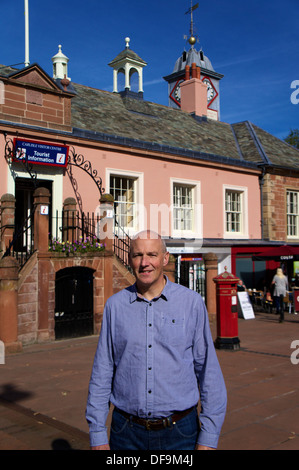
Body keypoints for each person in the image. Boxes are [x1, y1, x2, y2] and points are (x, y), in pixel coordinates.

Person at [86, 230, 227, 450]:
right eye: (137, 255)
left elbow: (208, 370)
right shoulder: (115, 306)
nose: (144, 263)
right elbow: (102, 371)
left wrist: (209, 436)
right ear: (129, 258)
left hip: (180, 432)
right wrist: (97, 432)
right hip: (126, 433)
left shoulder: (191, 303)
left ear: (165, 258)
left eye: (152, 254)